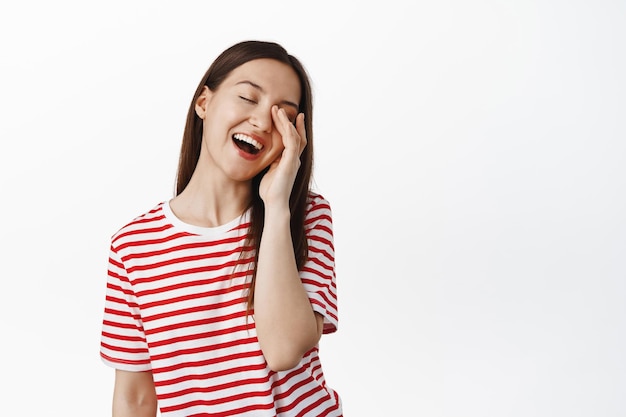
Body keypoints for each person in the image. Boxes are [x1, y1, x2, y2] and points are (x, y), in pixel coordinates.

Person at [99, 40, 342, 416]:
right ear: (204, 103)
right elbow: (135, 398)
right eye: (248, 97)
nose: (262, 121)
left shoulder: (305, 216)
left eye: (283, 114)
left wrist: (276, 207)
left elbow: (283, 349)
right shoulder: (133, 247)